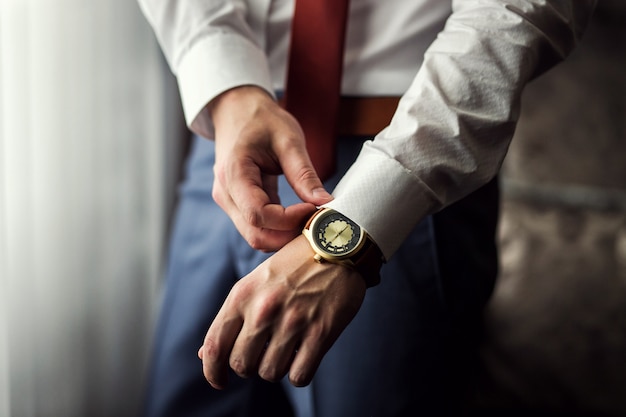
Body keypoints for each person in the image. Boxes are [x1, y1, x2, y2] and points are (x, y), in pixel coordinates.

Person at [137, 1, 596, 416]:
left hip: (408, 166)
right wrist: (225, 81)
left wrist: (358, 229)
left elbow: (515, 11)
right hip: (226, 142)